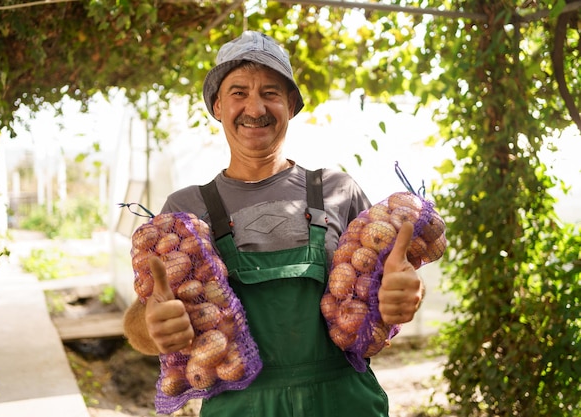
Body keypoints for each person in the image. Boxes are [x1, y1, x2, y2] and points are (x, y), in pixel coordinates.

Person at [123, 30, 425, 417]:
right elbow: (141, 319)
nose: (255, 107)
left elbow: (390, 292)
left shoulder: (337, 191)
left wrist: (407, 296)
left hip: (344, 403)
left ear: (291, 105)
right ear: (217, 106)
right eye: (238, 93)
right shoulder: (185, 210)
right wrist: (153, 326)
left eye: (270, 92)